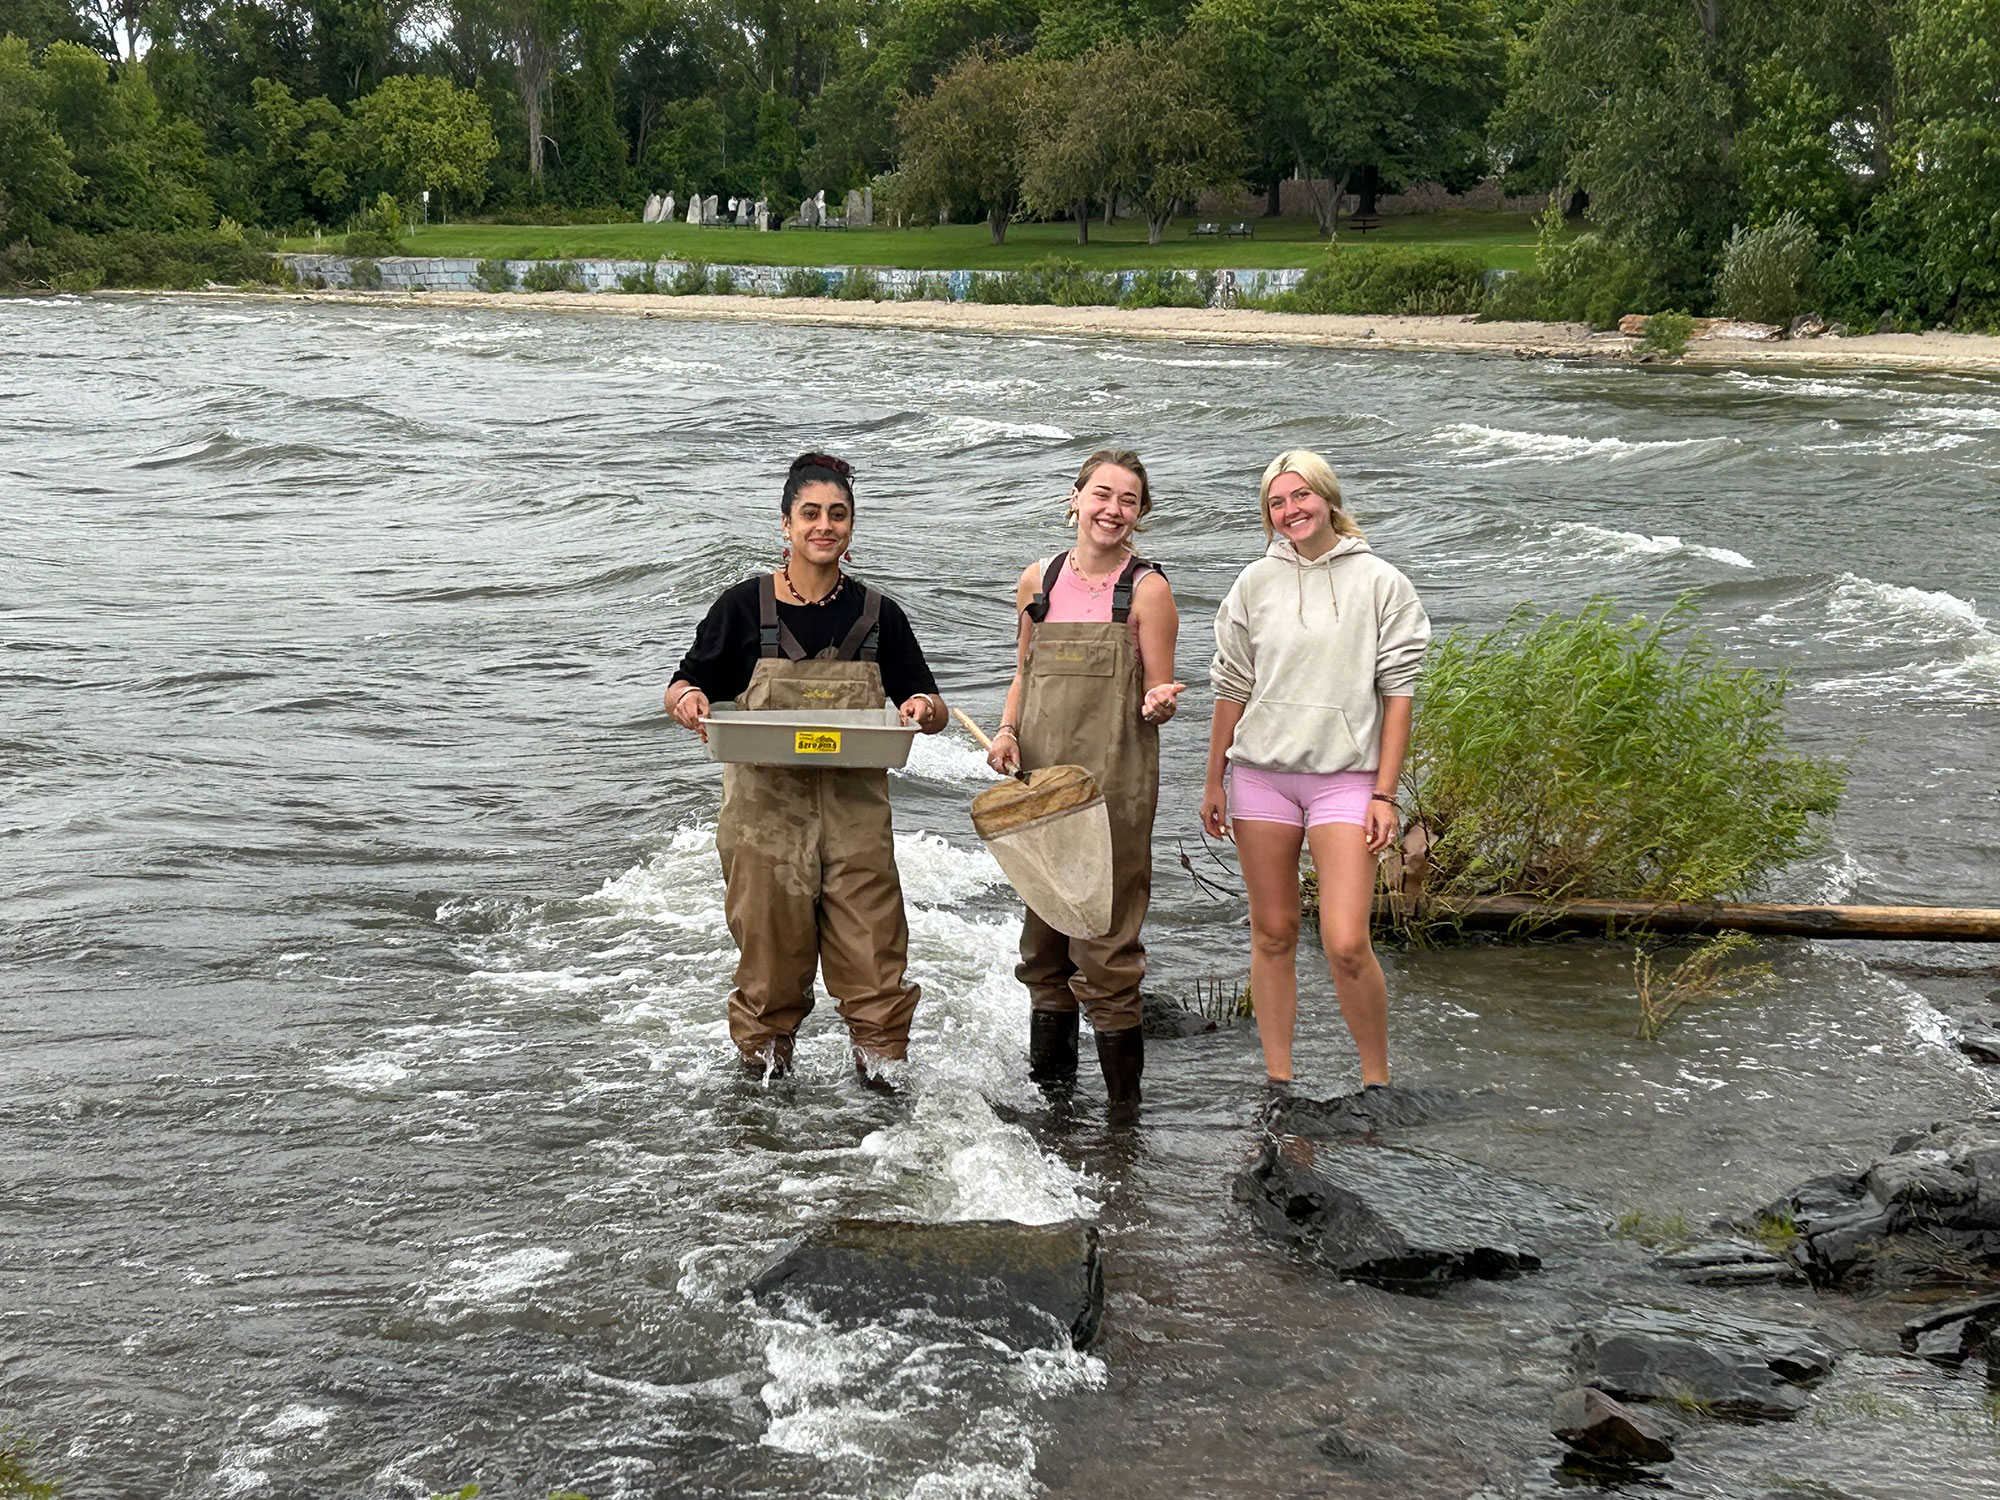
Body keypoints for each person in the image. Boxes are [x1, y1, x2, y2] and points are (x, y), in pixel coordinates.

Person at [665, 453, 946, 1088]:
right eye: (811, 513)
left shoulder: (881, 617)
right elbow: (684, 683)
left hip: (857, 824)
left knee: (877, 976)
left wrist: (922, 708)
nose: (825, 525)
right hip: (764, 825)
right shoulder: (741, 609)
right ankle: (764, 1123)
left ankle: (884, 1111)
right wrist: (688, 702)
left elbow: (930, 708)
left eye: (838, 515)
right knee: (768, 981)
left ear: (851, 526)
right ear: (786, 524)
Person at [1199, 450, 1429, 1092]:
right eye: (1276, 502)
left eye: (1301, 497)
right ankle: (1280, 1082)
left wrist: (1385, 793)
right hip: (1260, 777)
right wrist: (1214, 778)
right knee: (1273, 933)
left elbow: (1398, 695)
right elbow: (1232, 685)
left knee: (1347, 941)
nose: (1290, 511)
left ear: (1328, 499)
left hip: (1346, 779)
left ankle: (1377, 1083)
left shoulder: (1382, 582)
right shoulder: (1253, 584)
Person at [987, 450, 1185, 1112]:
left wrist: (1161, 702)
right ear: (1074, 498)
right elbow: (1023, 672)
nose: (1113, 510)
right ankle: (1056, 1105)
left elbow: (1159, 687)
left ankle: (1124, 1124)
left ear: (1140, 515)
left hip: (1113, 797)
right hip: (1042, 794)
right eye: (1101, 494)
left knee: (1106, 952)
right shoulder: (1036, 580)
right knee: (1044, 948)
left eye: (1128, 501)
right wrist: (1008, 732)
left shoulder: (1147, 589)